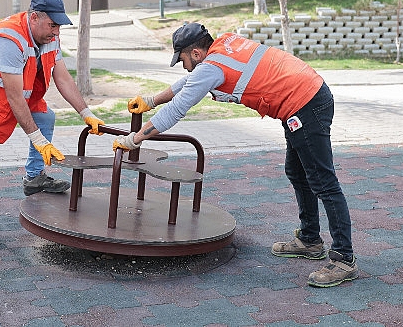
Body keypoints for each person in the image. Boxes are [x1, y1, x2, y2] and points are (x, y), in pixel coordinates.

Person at [113, 22, 357, 287]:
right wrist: (151, 101)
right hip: (305, 96)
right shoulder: (224, 44)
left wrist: (134, 139)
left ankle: (344, 258)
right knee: (297, 172)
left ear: (195, 53)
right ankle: (310, 240)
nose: (183, 65)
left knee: (323, 182)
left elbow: (177, 109)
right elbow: (190, 81)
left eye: (182, 59)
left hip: (305, 103)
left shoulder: (210, 67)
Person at [0, 0, 104, 248]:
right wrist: (38, 141)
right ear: (34, 18)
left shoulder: (49, 35)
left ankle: (34, 178)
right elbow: (14, 97)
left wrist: (86, 113)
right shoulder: (9, 41)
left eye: (58, 25)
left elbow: (61, 77)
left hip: (2, 99)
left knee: (46, 116)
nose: (56, 32)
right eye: (52, 25)